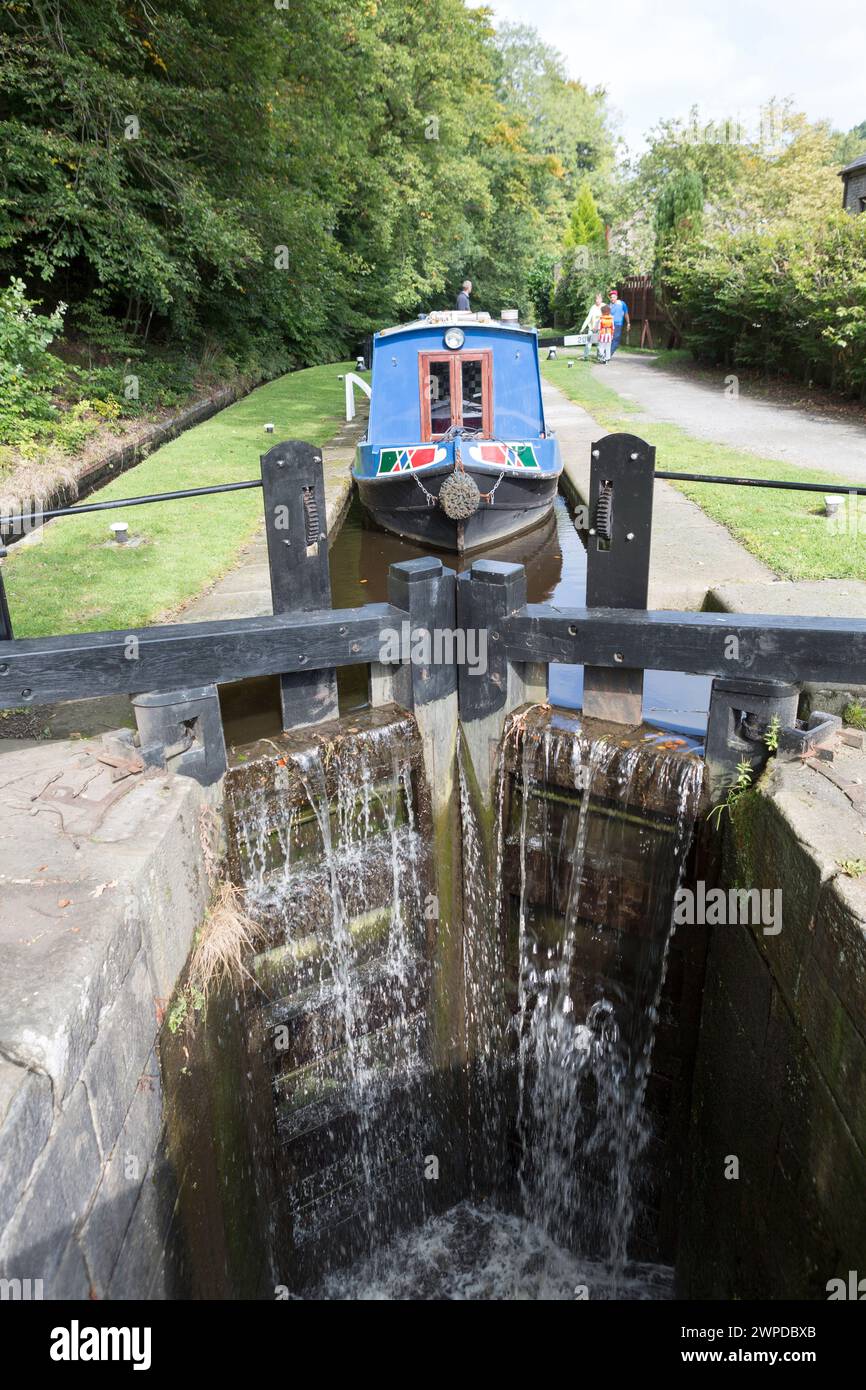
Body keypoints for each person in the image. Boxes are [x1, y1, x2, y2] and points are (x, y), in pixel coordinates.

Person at [579, 293, 603, 361]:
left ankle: (600, 357)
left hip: (599, 329)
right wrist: (582, 328)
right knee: (588, 343)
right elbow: (588, 318)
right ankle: (585, 357)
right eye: (596, 299)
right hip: (592, 329)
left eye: (598, 299)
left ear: (601, 299)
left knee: (599, 344)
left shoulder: (604, 306)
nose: (597, 300)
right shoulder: (593, 307)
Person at [608, 288, 630, 355]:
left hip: (618, 325)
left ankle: (608, 355)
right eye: (611, 297)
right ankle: (607, 355)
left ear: (616, 297)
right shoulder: (609, 305)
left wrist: (628, 323)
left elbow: (626, 313)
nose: (612, 298)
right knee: (609, 340)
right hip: (609, 325)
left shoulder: (622, 303)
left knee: (616, 341)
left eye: (614, 297)